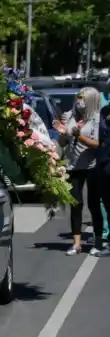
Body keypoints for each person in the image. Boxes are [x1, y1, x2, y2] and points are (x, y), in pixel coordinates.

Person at [55, 87, 103, 255]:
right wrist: (62, 133)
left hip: (92, 165)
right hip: (73, 166)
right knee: (75, 204)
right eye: (78, 97)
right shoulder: (69, 116)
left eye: (83, 98)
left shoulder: (97, 118)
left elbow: (97, 144)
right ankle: (76, 243)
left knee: (94, 204)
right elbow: (62, 143)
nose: (79, 101)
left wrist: (78, 136)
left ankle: (98, 242)